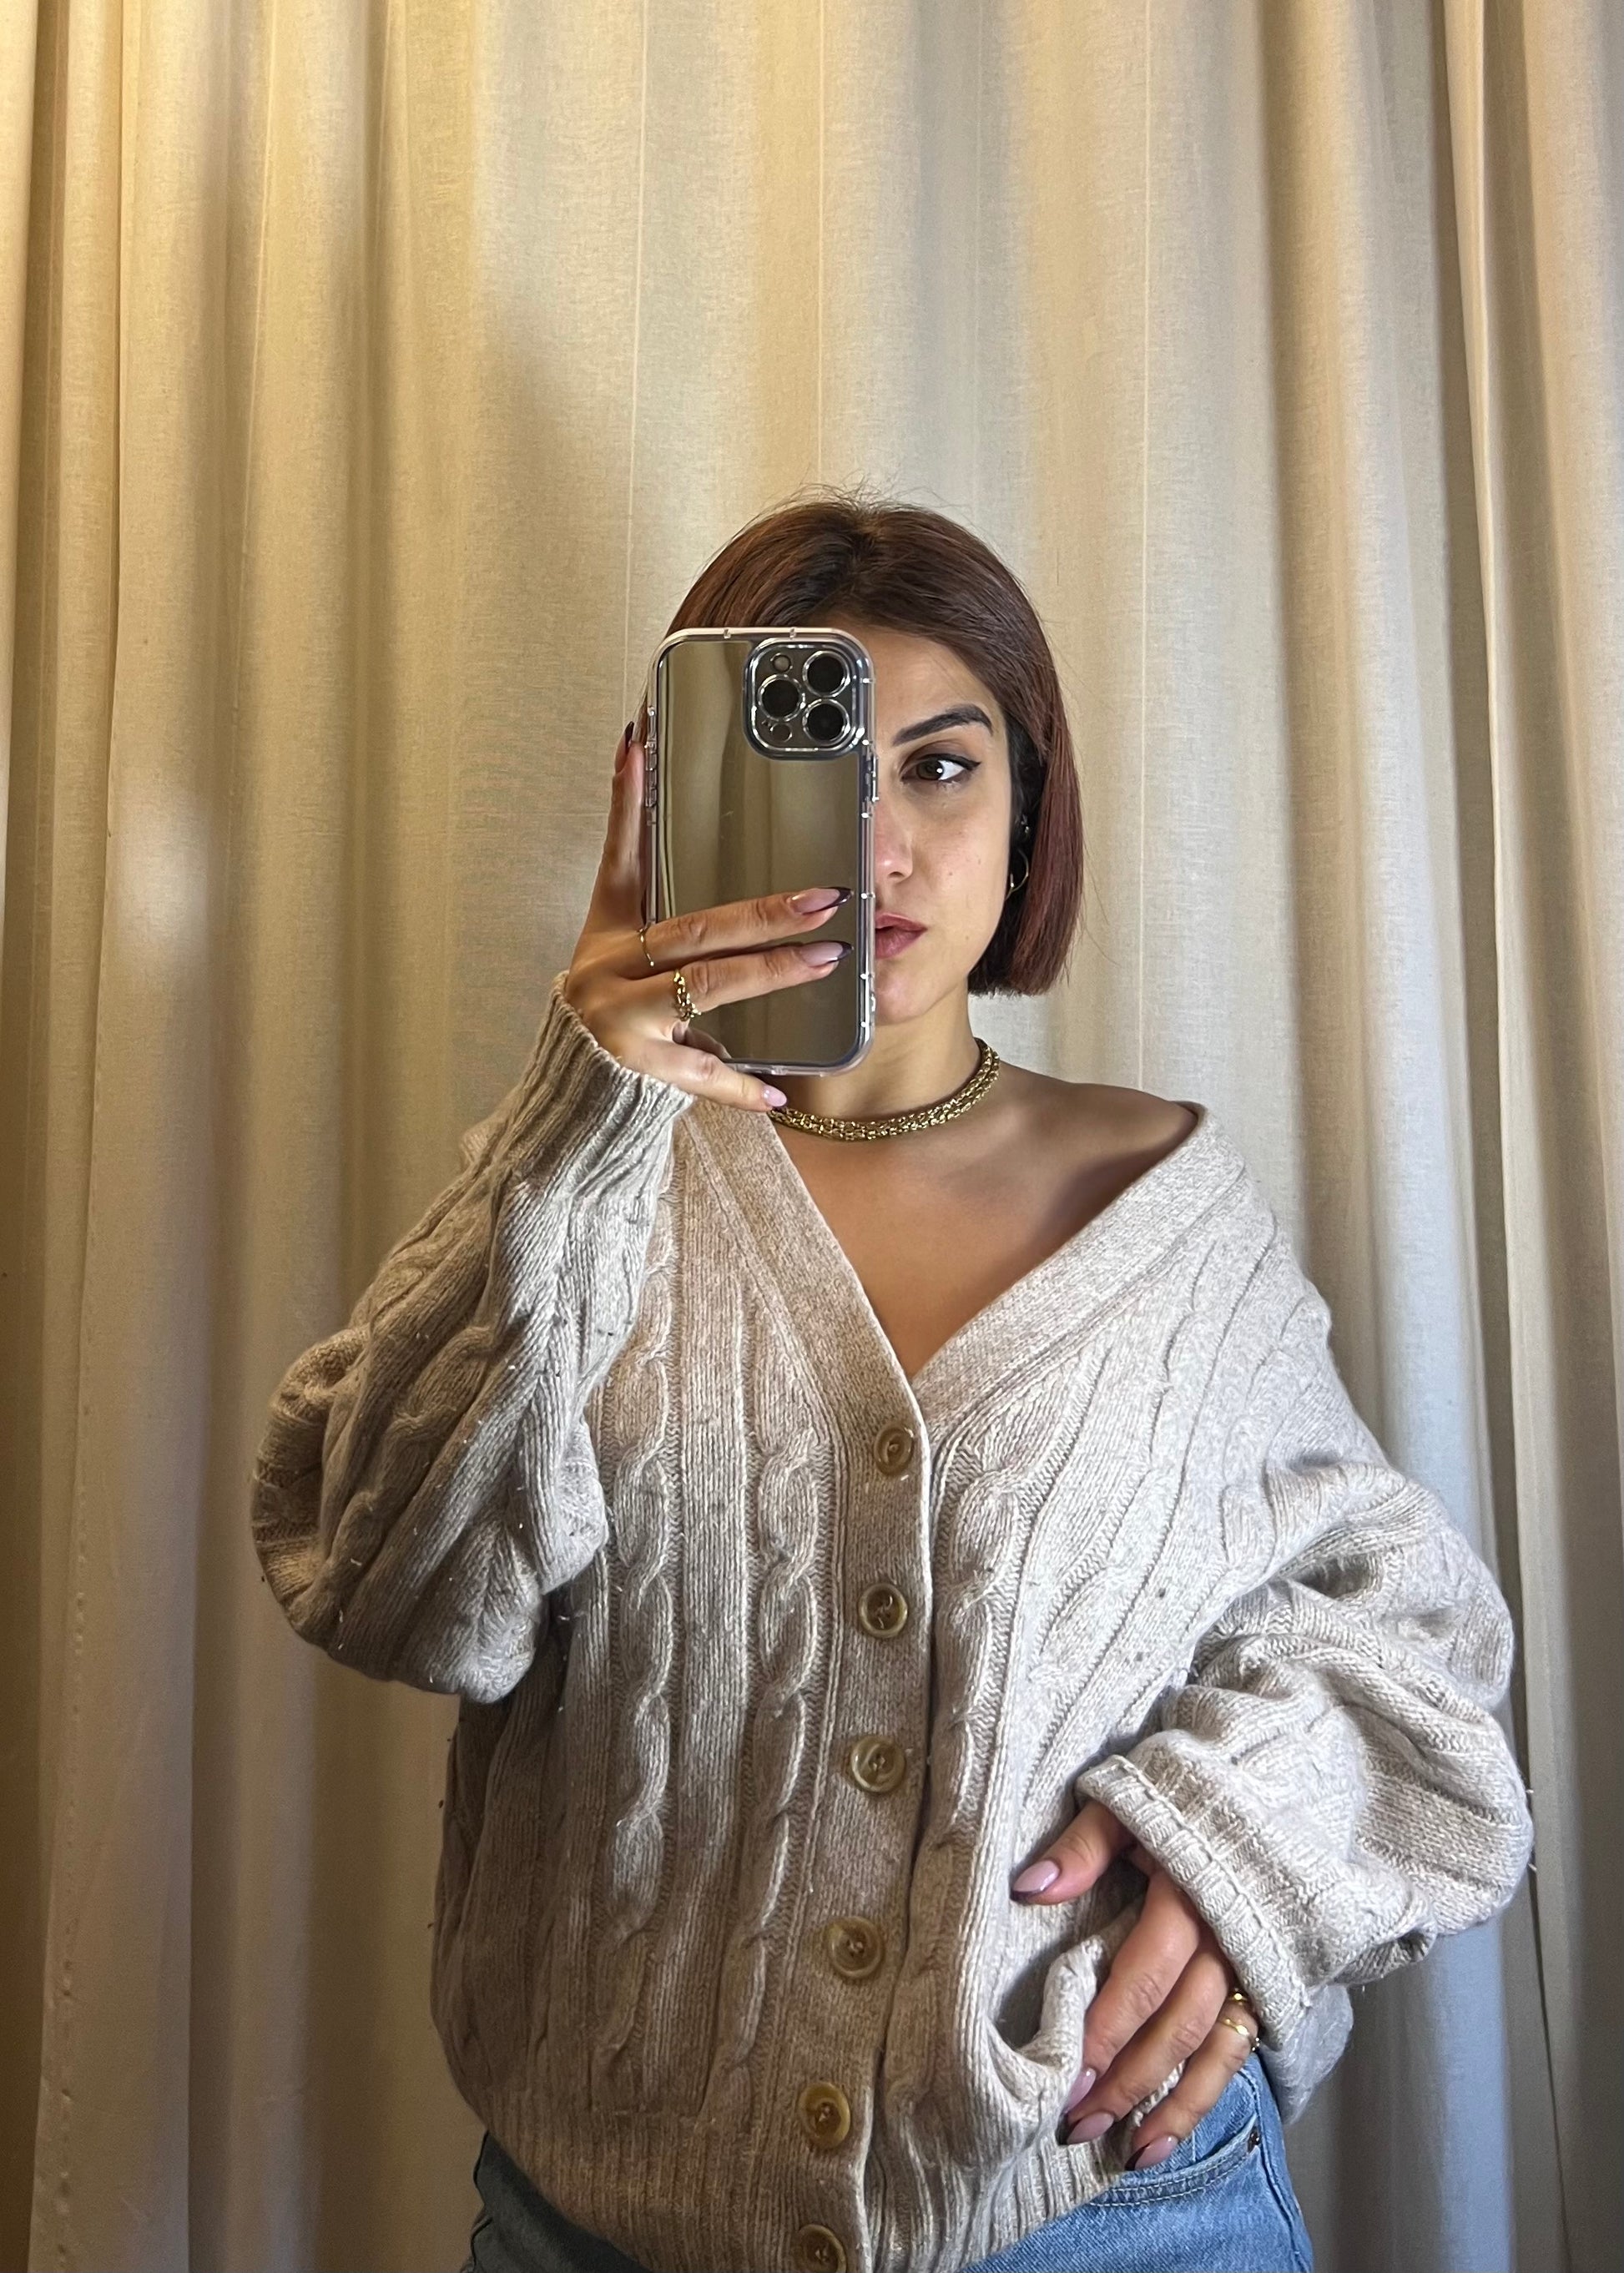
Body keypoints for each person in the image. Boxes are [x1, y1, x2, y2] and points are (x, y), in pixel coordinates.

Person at [250, 495, 1533, 2273]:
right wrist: (576, 1118)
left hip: (1116, 2215)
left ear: (1027, 815)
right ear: (677, 800)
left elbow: (1403, 1619)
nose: (880, 846)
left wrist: (1246, 1852)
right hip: (599, 2232)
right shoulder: (568, 1189)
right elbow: (392, 1587)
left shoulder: (1161, 1210)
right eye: (813, 771)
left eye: (941, 768)